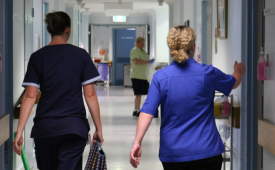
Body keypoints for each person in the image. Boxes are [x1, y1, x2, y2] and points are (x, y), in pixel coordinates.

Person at [130, 26, 246, 170]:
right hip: (207, 151)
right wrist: (238, 71)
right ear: (192, 47)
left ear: (171, 48)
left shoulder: (160, 77)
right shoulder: (207, 73)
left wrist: (137, 142)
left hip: (173, 153)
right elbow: (233, 82)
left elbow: (147, 111)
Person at [13, 11, 104, 170]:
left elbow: (29, 97)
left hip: (45, 129)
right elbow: (89, 94)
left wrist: (19, 130)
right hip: (74, 128)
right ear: (68, 30)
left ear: (49, 30)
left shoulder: (37, 57)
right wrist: (98, 128)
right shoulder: (80, 55)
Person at [130, 37, 154, 117]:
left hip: (143, 76)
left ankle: (138, 109)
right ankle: (136, 110)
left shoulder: (143, 51)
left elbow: (145, 61)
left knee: (141, 94)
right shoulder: (134, 51)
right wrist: (148, 61)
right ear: (137, 43)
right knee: (138, 94)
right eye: (141, 43)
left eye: (144, 43)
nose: (143, 45)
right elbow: (137, 62)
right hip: (137, 76)